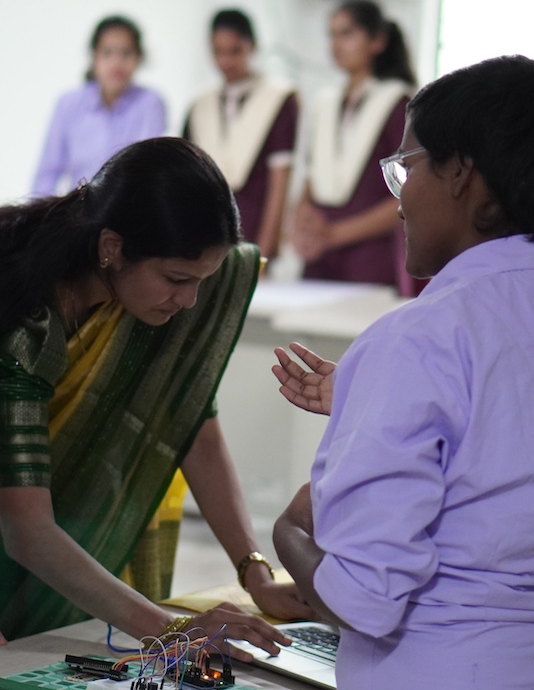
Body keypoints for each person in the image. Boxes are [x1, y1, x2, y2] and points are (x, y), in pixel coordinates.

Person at [272, 55, 534, 690]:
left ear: (461, 174)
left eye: (406, 167)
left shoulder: (417, 338)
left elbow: (363, 601)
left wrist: (288, 536)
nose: (397, 201)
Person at [0, 137, 313, 649]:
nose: (188, 301)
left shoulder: (144, 301)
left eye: (200, 282)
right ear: (111, 247)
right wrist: (174, 630)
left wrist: (255, 572)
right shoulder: (26, 324)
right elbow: (28, 529)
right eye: (176, 279)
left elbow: (194, 428)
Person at [293, 0, 423, 296]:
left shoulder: (399, 103)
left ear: (377, 40)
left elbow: (408, 191)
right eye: (332, 35)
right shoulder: (325, 101)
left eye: (347, 34)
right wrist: (303, 226)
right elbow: (312, 178)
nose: (336, 44)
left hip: (368, 256)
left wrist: (334, 235)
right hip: (320, 257)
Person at [184, 8, 298, 262]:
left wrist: (264, 252)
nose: (226, 61)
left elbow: (279, 180)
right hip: (207, 233)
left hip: (254, 228)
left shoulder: (278, 99)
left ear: (252, 47)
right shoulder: (199, 104)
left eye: (235, 51)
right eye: (218, 52)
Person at [33, 15, 165, 196]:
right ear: (94, 56)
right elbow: (47, 175)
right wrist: (39, 221)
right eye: (108, 53)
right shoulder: (69, 104)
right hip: (76, 215)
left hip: (127, 214)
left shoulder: (149, 104)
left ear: (138, 58)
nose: (116, 63)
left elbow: (146, 171)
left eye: (126, 53)